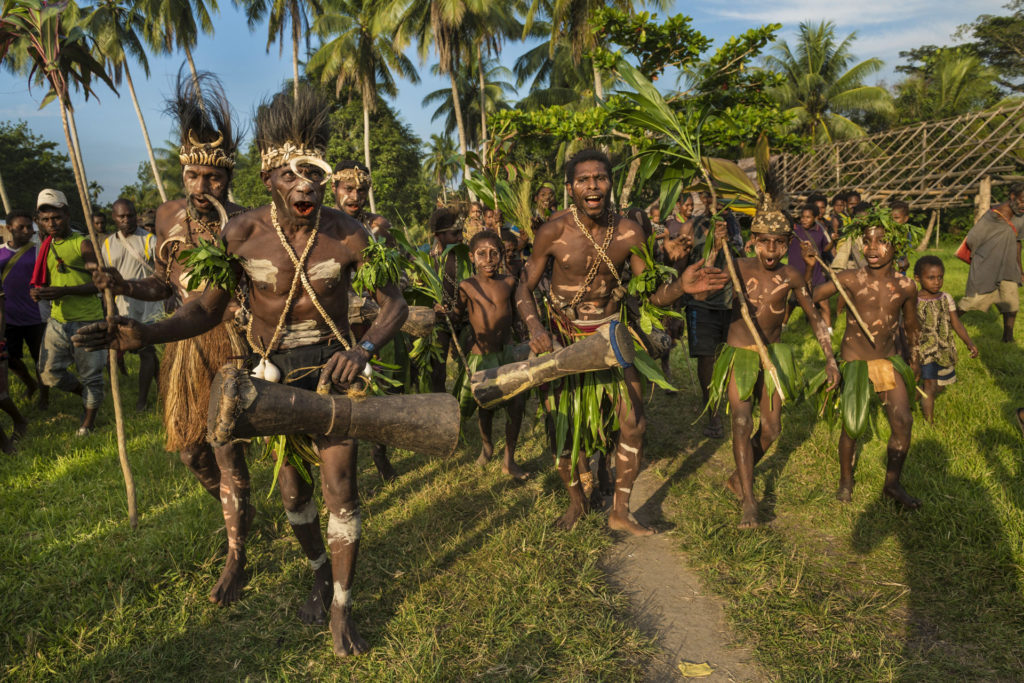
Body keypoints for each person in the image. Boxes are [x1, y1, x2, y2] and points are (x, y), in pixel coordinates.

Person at [76, 85, 408, 657]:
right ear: (269, 179)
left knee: (342, 489)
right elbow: (204, 306)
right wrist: (146, 332)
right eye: (291, 176)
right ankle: (316, 569)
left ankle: (341, 609)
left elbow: (396, 303)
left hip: (333, 373)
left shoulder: (350, 234)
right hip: (269, 376)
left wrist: (365, 349)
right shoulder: (243, 235)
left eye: (314, 175)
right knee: (292, 495)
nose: (305, 186)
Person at [90, 70, 251, 605]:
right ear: (182, 172)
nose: (203, 189)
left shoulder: (245, 225)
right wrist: (123, 282)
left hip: (229, 342)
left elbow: (217, 301)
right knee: (191, 455)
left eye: (214, 180)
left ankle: (236, 555)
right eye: (194, 177)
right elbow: (165, 281)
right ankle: (236, 507)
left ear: (229, 178)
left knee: (227, 451)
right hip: (184, 346)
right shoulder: (166, 217)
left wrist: (151, 331)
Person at [515, 149, 728, 536]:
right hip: (563, 339)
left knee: (633, 422)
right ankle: (578, 502)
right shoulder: (553, 231)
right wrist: (534, 328)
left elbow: (648, 295)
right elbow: (523, 287)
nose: (593, 186)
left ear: (610, 183)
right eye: (583, 180)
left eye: (600, 178)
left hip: (612, 333)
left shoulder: (630, 231)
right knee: (563, 428)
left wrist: (680, 287)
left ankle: (620, 511)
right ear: (570, 188)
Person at [713, 188, 839, 528]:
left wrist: (829, 357)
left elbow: (814, 317)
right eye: (765, 241)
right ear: (753, 241)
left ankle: (738, 476)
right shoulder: (736, 267)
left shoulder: (792, 276)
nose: (772, 250)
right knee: (741, 422)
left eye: (779, 243)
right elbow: (706, 282)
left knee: (771, 428)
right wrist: (715, 246)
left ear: (788, 245)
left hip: (774, 355)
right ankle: (749, 501)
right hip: (740, 354)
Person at [813, 207, 922, 509]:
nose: (872, 247)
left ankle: (892, 483)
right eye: (867, 240)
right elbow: (811, 297)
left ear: (895, 245)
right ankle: (846, 479)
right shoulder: (850, 278)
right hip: (856, 362)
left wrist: (914, 358)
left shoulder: (905, 285)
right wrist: (810, 270)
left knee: (903, 421)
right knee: (853, 425)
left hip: (887, 362)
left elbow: (911, 326)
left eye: (880, 241)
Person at [331, 159, 398, 482]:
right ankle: (343, 465)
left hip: (372, 323)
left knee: (377, 387)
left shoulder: (378, 227)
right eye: (348, 188)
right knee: (340, 391)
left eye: (361, 189)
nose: (355, 195)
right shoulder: (323, 226)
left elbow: (395, 275)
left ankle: (380, 452)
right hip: (334, 322)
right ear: (334, 188)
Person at [450, 231, 529, 480]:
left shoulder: (509, 282)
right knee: (486, 407)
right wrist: (445, 313)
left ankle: (510, 459)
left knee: (516, 404)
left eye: (494, 253)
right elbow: (457, 315)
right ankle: (486, 446)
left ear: (502, 255)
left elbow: (516, 315)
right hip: (481, 356)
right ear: (472, 257)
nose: (488, 259)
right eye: (482, 254)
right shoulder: (467, 286)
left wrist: (522, 331)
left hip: (507, 353)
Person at [29, 189, 106, 435]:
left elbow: (100, 283)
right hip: (57, 321)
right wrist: (38, 292)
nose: (51, 223)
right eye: (46, 219)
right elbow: (47, 280)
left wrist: (64, 292)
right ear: (39, 220)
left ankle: (88, 424)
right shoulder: (46, 245)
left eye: (56, 217)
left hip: (87, 319)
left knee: (92, 375)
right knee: (47, 373)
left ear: (67, 214)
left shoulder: (81, 243)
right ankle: (85, 395)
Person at [681, 191, 745, 437]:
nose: (714, 199)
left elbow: (740, 259)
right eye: (708, 195)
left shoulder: (734, 225)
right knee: (707, 359)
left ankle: (731, 404)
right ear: (705, 199)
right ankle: (713, 414)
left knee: (728, 358)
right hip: (701, 304)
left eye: (719, 195)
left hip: (730, 302)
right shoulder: (692, 227)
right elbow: (681, 264)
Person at [102, 199, 161, 411]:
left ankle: (142, 401)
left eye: (130, 215)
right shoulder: (108, 244)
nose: (126, 219)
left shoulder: (150, 240)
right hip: (122, 306)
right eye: (121, 216)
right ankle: (163, 387)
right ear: (114, 218)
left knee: (146, 352)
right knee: (140, 352)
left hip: (149, 307)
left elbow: (163, 271)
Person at [957, 182, 1024, 343]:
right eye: (1022, 200)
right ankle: (947, 322)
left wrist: (1020, 269)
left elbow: (1018, 242)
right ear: (1012, 196)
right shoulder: (993, 216)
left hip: (1008, 267)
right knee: (972, 301)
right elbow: (973, 239)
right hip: (986, 265)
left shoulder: (1021, 218)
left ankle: (1008, 337)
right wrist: (987, 256)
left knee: (1011, 303)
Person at [914, 255, 978, 423]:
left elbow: (956, 323)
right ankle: (930, 423)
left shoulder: (946, 298)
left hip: (944, 349)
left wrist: (969, 342)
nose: (937, 282)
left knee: (938, 386)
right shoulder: (914, 300)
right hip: (924, 350)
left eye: (940, 277)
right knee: (930, 385)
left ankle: (911, 396)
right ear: (918, 279)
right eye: (931, 278)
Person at [0, 210, 47, 411]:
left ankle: (44, 397)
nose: (27, 231)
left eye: (30, 227)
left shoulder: (38, 252)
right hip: (8, 317)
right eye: (21, 227)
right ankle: (29, 383)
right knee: (10, 358)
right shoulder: (1, 253)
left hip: (36, 316)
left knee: (41, 360)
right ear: (10, 229)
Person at [428, 205, 466, 393]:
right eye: (454, 234)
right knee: (438, 370)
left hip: (466, 318)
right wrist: (434, 306)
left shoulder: (466, 256)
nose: (460, 238)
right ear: (438, 236)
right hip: (441, 321)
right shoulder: (427, 261)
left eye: (461, 233)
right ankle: (440, 407)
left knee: (468, 366)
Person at [787, 203, 832, 329]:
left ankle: (829, 331)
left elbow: (825, 247)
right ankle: (784, 326)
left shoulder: (820, 231)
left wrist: (833, 241)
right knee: (791, 302)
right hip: (797, 272)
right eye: (802, 217)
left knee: (824, 303)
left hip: (816, 273)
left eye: (808, 217)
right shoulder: (795, 230)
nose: (804, 220)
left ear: (815, 218)